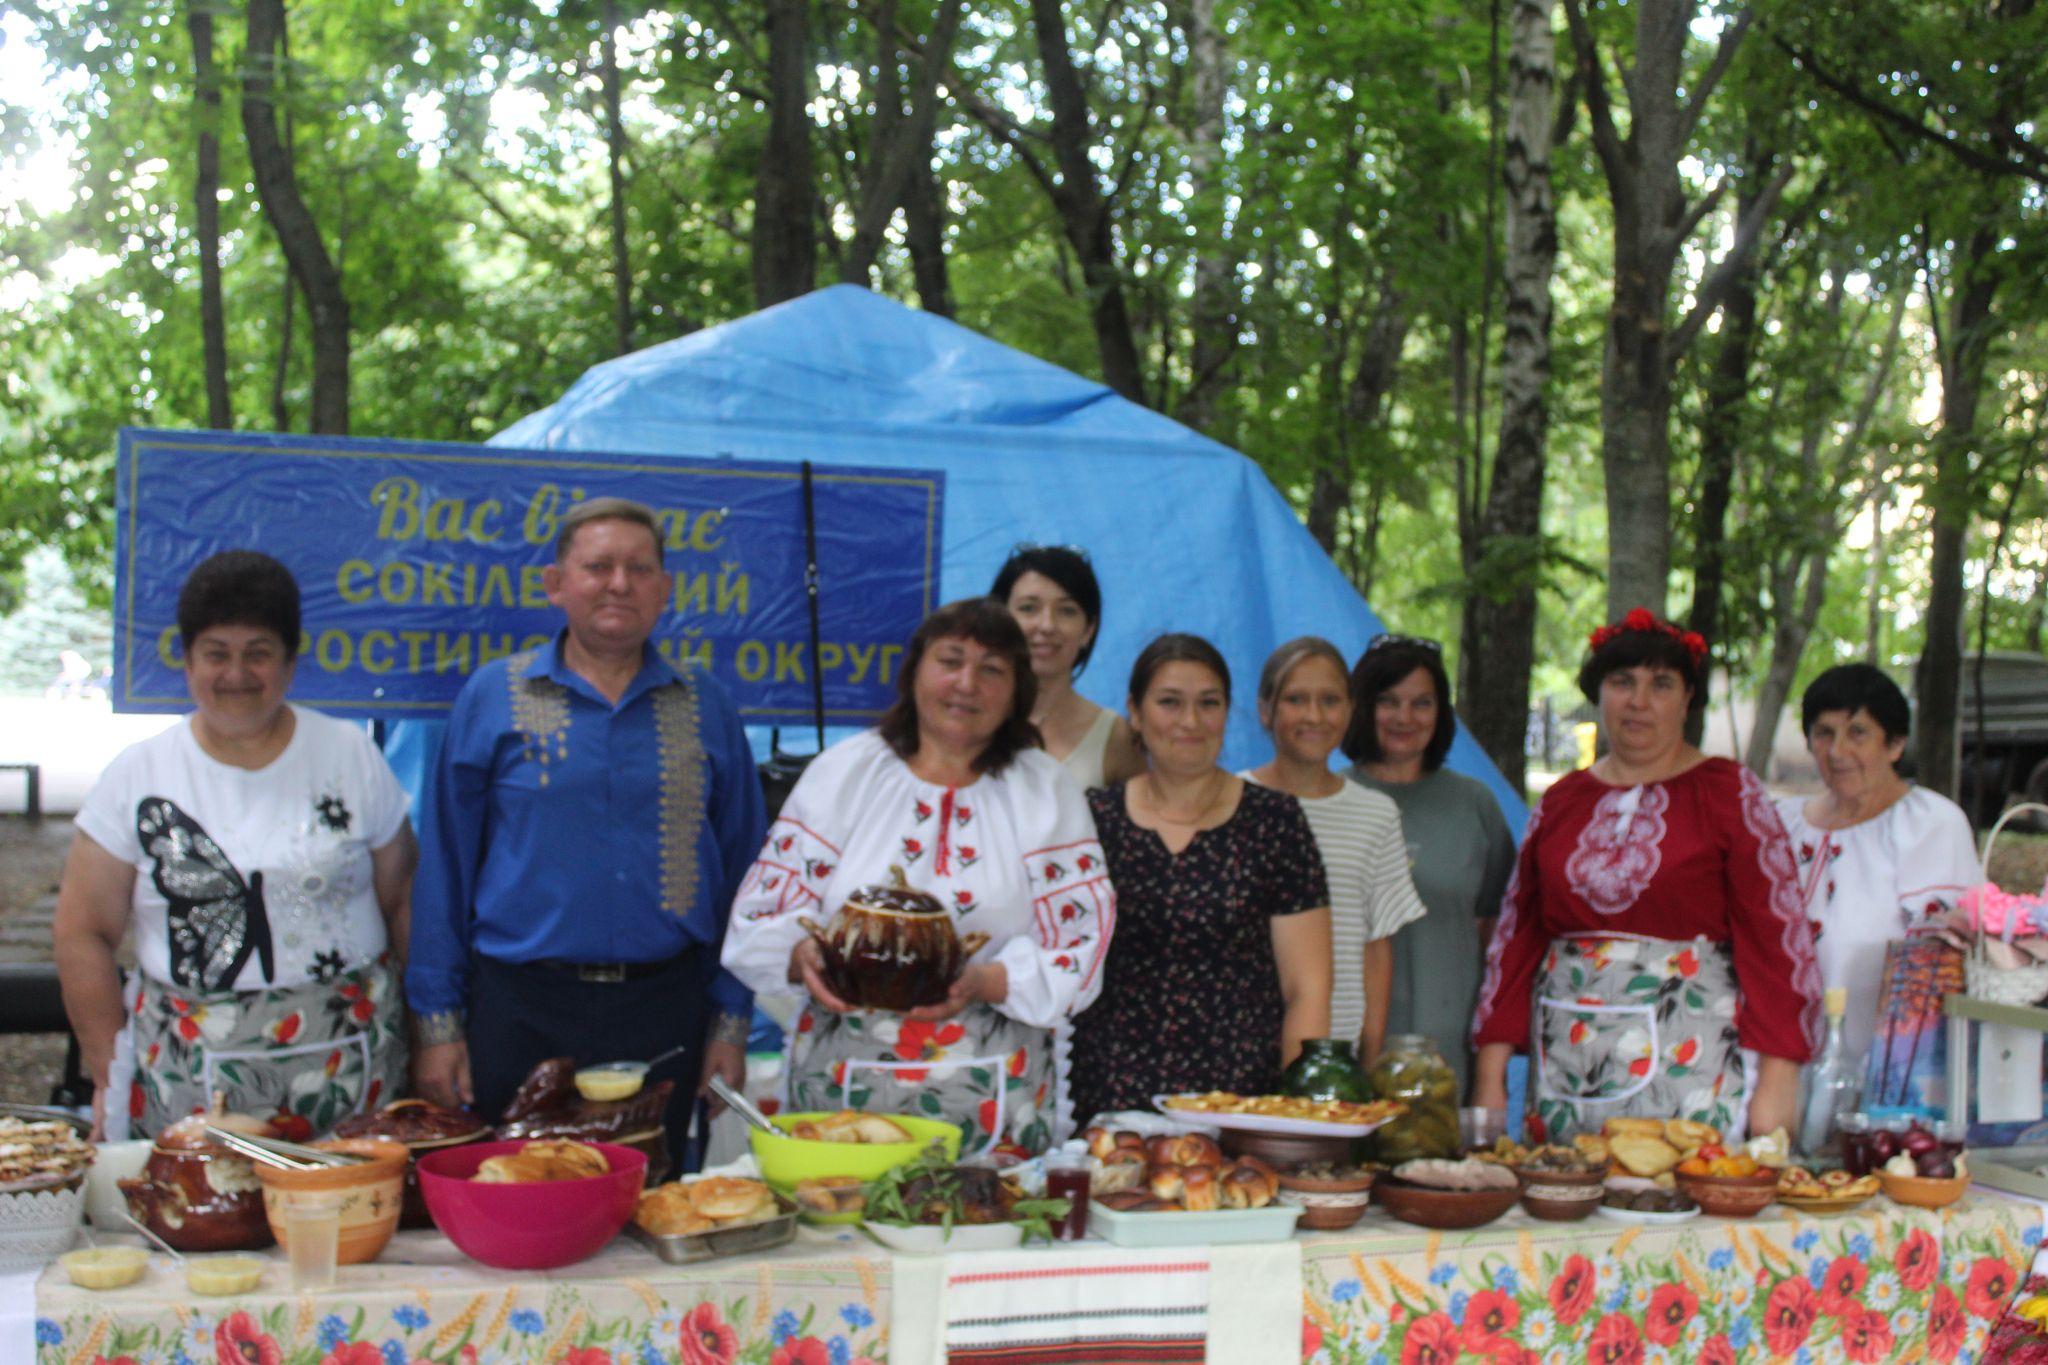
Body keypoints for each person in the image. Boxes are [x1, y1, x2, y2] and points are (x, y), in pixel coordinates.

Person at [407, 498, 766, 1159]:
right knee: (520, 1209)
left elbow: (749, 878)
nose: (619, 583)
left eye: (639, 568)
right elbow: (445, 871)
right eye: (598, 566)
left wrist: (732, 1025)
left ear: (665, 588)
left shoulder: (707, 704)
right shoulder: (493, 695)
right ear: (556, 583)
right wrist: (438, 1026)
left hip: (664, 1010)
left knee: (650, 1210)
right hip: (521, 1009)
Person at [721, 598, 1112, 1155]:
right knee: (840, 1226)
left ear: (1017, 691)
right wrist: (799, 955)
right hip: (842, 1083)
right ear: (915, 672)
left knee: (983, 1223)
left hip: (996, 1086)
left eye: (992, 669)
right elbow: (762, 914)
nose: (966, 683)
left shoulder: (1044, 791)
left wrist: (986, 982)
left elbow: (1082, 943)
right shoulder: (846, 772)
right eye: (950, 660)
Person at [55, 551, 416, 1138]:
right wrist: (106, 1073)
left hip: (350, 1061)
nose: (237, 674)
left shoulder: (350, 755)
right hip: (187, 1074)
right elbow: (82, 933)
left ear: (291, 661)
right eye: (216, 653)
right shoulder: (138, 774)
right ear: (188, 658)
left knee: (345, 1221)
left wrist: (434, 1039)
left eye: (258, 653)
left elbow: (404, 904)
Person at [1470, 610, 1821, 1141]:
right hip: (1568, 1053)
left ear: (1687, 699)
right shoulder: (1563, 802)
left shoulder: (1728, 794)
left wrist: (1779, 1077)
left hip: (1694, 1057)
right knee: (1565, 1201)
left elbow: (1777, 940)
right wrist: (1491, 1071)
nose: (1638, 701)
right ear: (1599, 693)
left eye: (1660, 684)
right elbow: (1517, 936)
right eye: (1622, 682)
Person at [1068, 633, 1333, 1125]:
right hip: (1106, 1101)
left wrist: (1293, 1116)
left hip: (1239, 1106)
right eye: (1170, 702)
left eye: (1208, 704)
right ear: (1136, 712)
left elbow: (1308, 987)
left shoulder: (1275, 822)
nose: (1190, 721)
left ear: (1227, 712)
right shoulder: (1091, 820)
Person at [1776, 663, 1979, 1067]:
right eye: (1824, 733)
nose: (1837, 752)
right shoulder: (1782, 823)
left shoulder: (1929, 823)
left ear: (1895, 744)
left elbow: (1943, 964)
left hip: (1893, 1069)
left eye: (1857, 733)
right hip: (1778, 1060)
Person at [1343, 635, 1516, 1093]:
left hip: (1448, 1049)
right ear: (1361, 707)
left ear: (1442, 713)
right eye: (1389, 701)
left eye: (1422, 703)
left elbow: (1496, 937)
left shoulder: (1474, 804)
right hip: (1344, 1048)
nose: (1405, 717)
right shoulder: (1327, 800)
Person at [1243, 637, 1425, 1066]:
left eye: (1329, 700)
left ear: (1350, 710)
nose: (1313, 715)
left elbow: (1376, 946)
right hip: (1242, 1043)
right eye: (1295, 699)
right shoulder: (1231, 801)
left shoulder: (1375, 814)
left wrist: (1370, 1051)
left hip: (1333, 1051)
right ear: (1265, 710)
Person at [990, 545, 1142, 790]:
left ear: (1088, 630)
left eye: (1067, 611)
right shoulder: (970, 718)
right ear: (999, 618)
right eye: (1029, 608)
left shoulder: (1115, 737)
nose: (1047, 625)